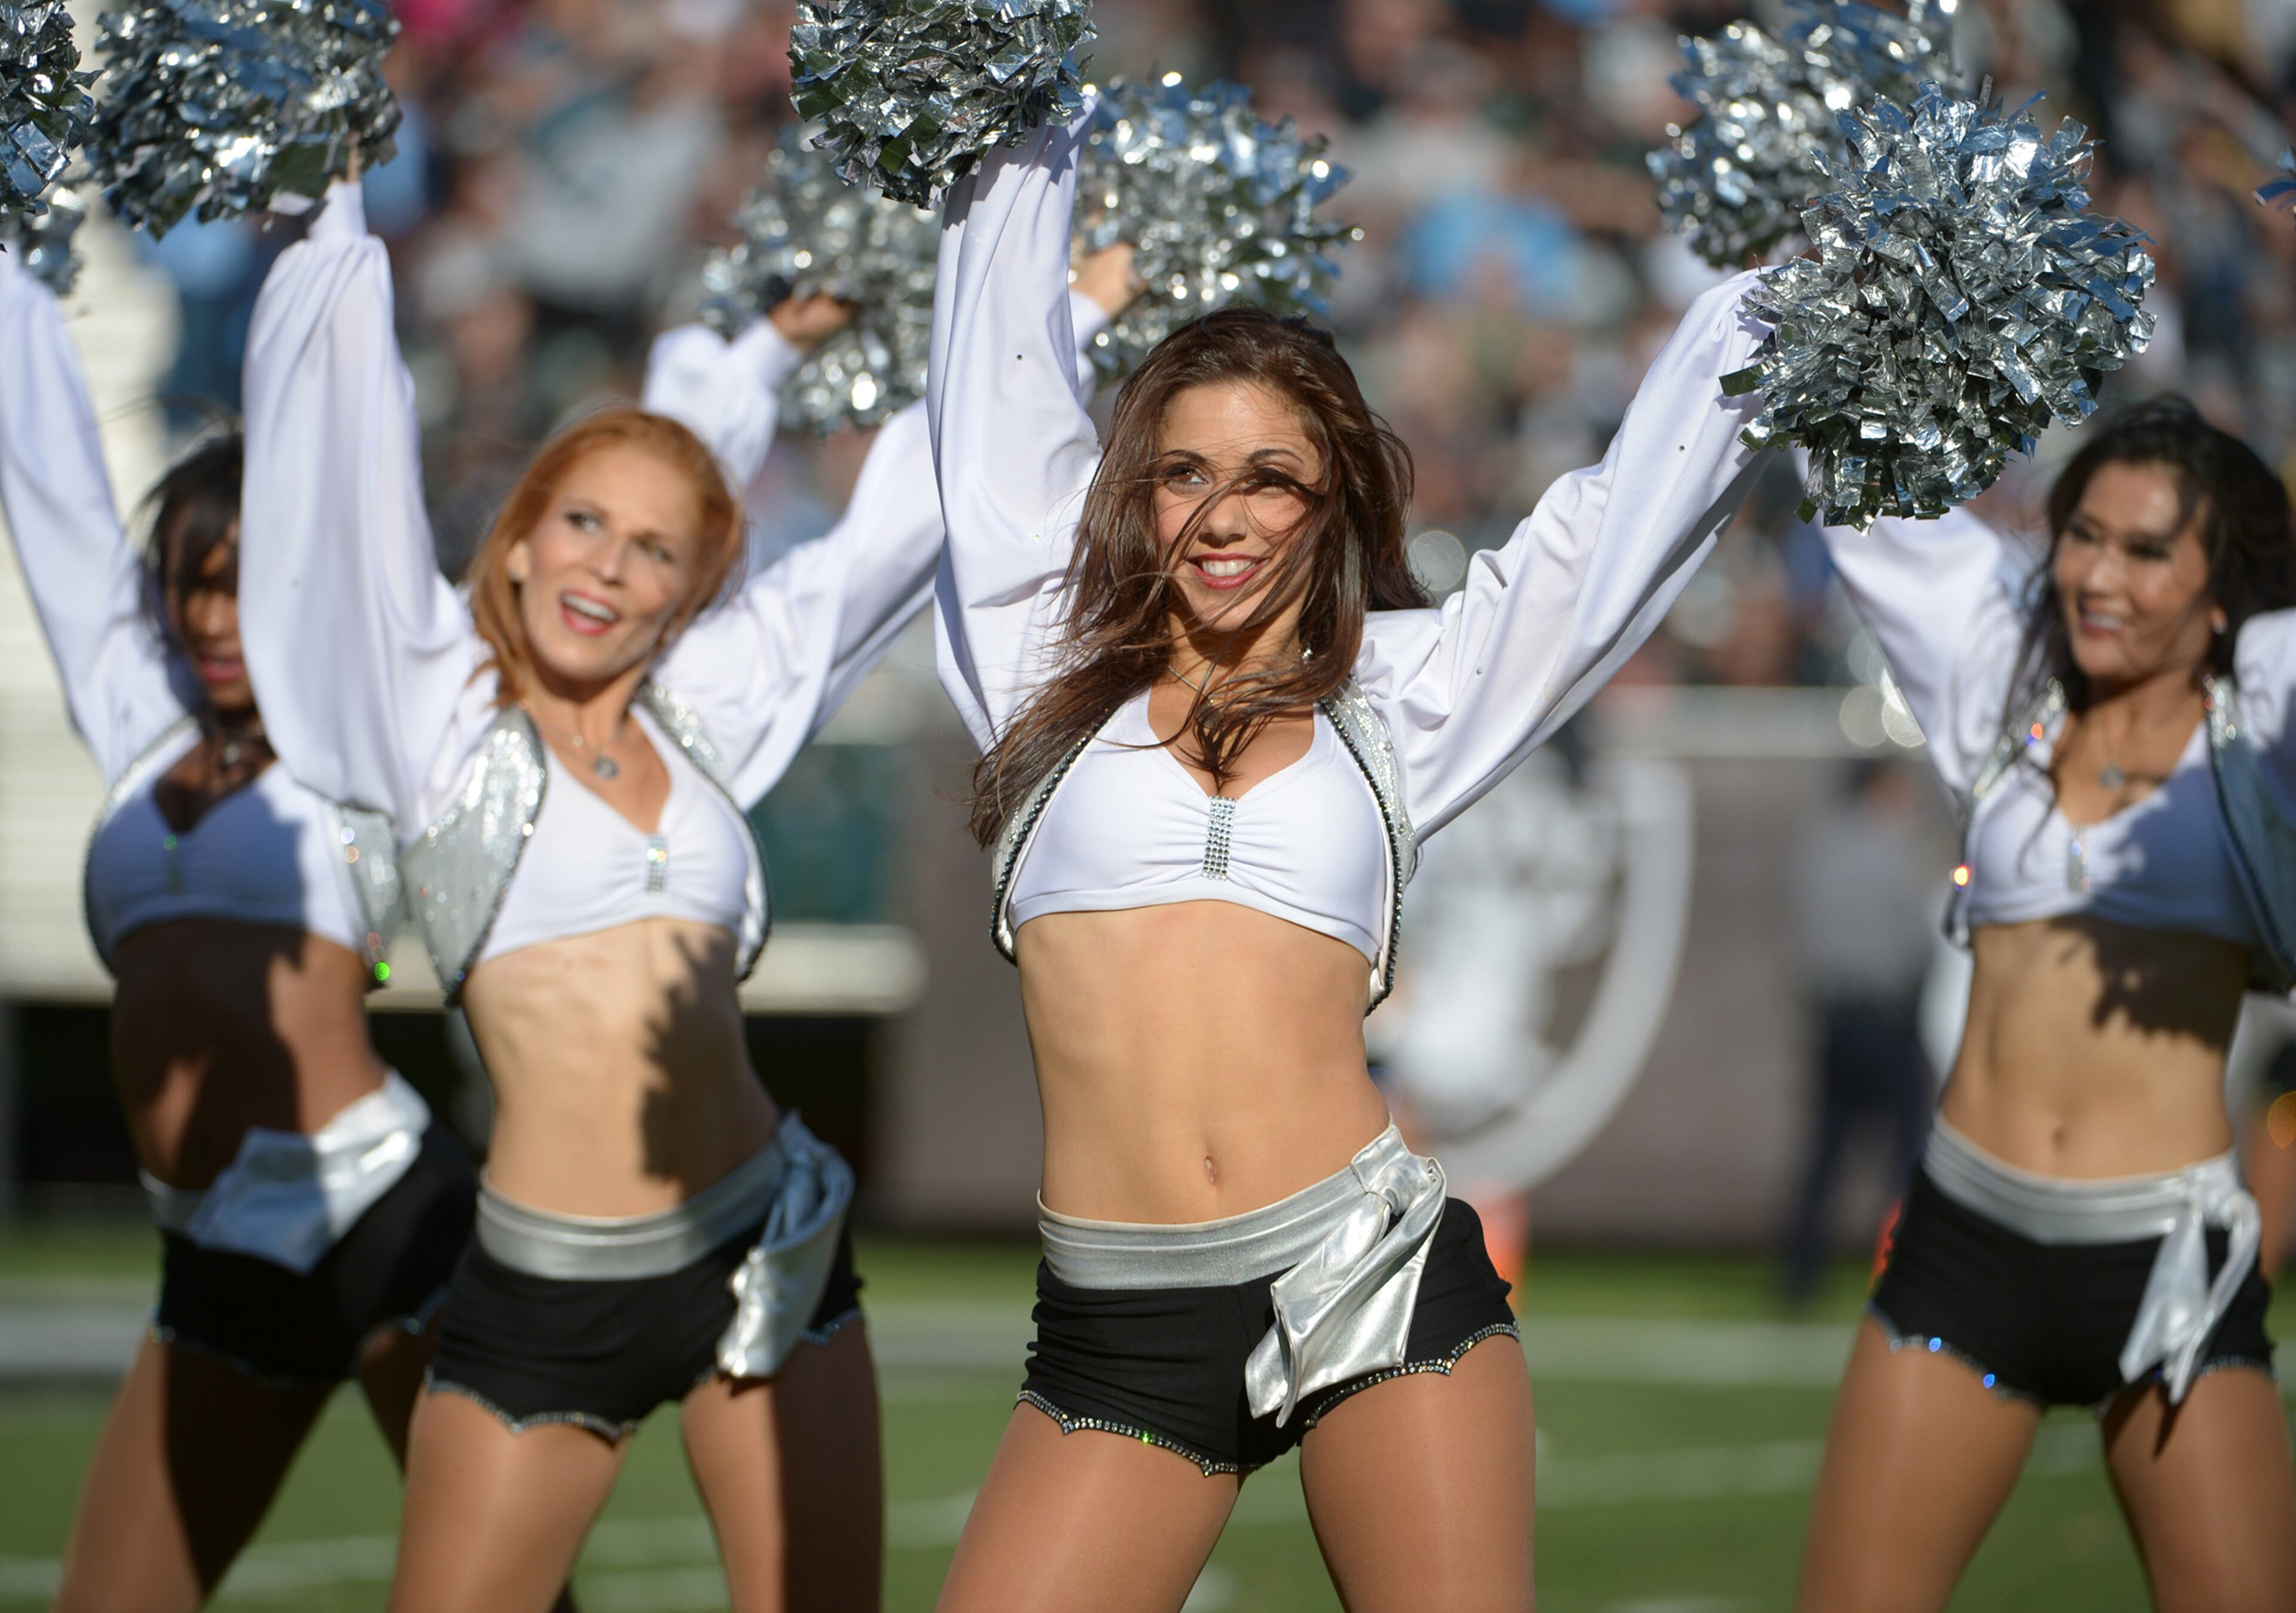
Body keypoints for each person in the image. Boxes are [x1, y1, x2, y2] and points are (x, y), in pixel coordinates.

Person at [232, 177, 1135, 1612]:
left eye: (654, 552)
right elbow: (327, 468)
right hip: (543, 1294)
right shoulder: (432, 721)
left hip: (765, 1251)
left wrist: (1074, 305)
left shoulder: (706, 707)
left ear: (689, 590)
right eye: (581, 524)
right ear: (516, 538)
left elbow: (897, 528)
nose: (608, 567)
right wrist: (324, 196)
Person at [923, 105, 1772, 1611]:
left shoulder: (1400, 697)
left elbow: (1607, 537)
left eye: (1269, 477)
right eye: (1183, 474)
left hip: (1364, 1278)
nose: (1222, 515)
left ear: (1330, 505)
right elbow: (990, 394)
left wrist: (1783, 300)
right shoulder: (1038, 678)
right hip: (1115, 1329)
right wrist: (1011, 115)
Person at [0, 239, 475, 1609]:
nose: (214, 620)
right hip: (212, 1240)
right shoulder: (140, 731)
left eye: (242, 585)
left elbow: (358, 459)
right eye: (191, 584)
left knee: (497, 1592)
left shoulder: (354, 743)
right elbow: (48, 484)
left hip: (386, 1205)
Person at [1797, 397, 2296, 1612]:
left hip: (2169, 1263)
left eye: (2145, 551)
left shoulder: (2272, 724)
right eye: (2084, 535)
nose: (2097, 575)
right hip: (1963, 1247)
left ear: (2223, 587)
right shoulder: (2007, 675)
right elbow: (1856, 467)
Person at [1779, 758, 1941, 1306]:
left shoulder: (1821, 848)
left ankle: (1799, 1276)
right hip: (1888, 1018)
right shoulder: (1889, 849)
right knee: (1908, 1153)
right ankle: (1907, 1266)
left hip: (1835, 1018)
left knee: (1825, 1154)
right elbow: (1916, 940)